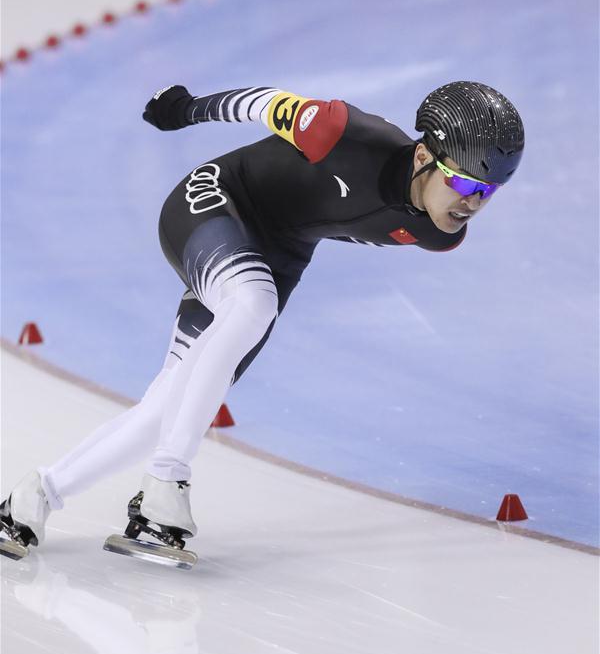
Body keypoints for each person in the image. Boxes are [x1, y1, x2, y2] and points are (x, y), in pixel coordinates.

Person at [0, 81, 525, 568]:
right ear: (423, 156)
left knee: (171, 404)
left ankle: (34, 497)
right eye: (464, 181)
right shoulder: (344, 133)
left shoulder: (438, 233)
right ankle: (166, 482)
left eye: (490, 191)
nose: (473, 203)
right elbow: (265, 103)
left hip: (276, 258)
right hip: (214, 202)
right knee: (252, 301)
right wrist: (184, 110)